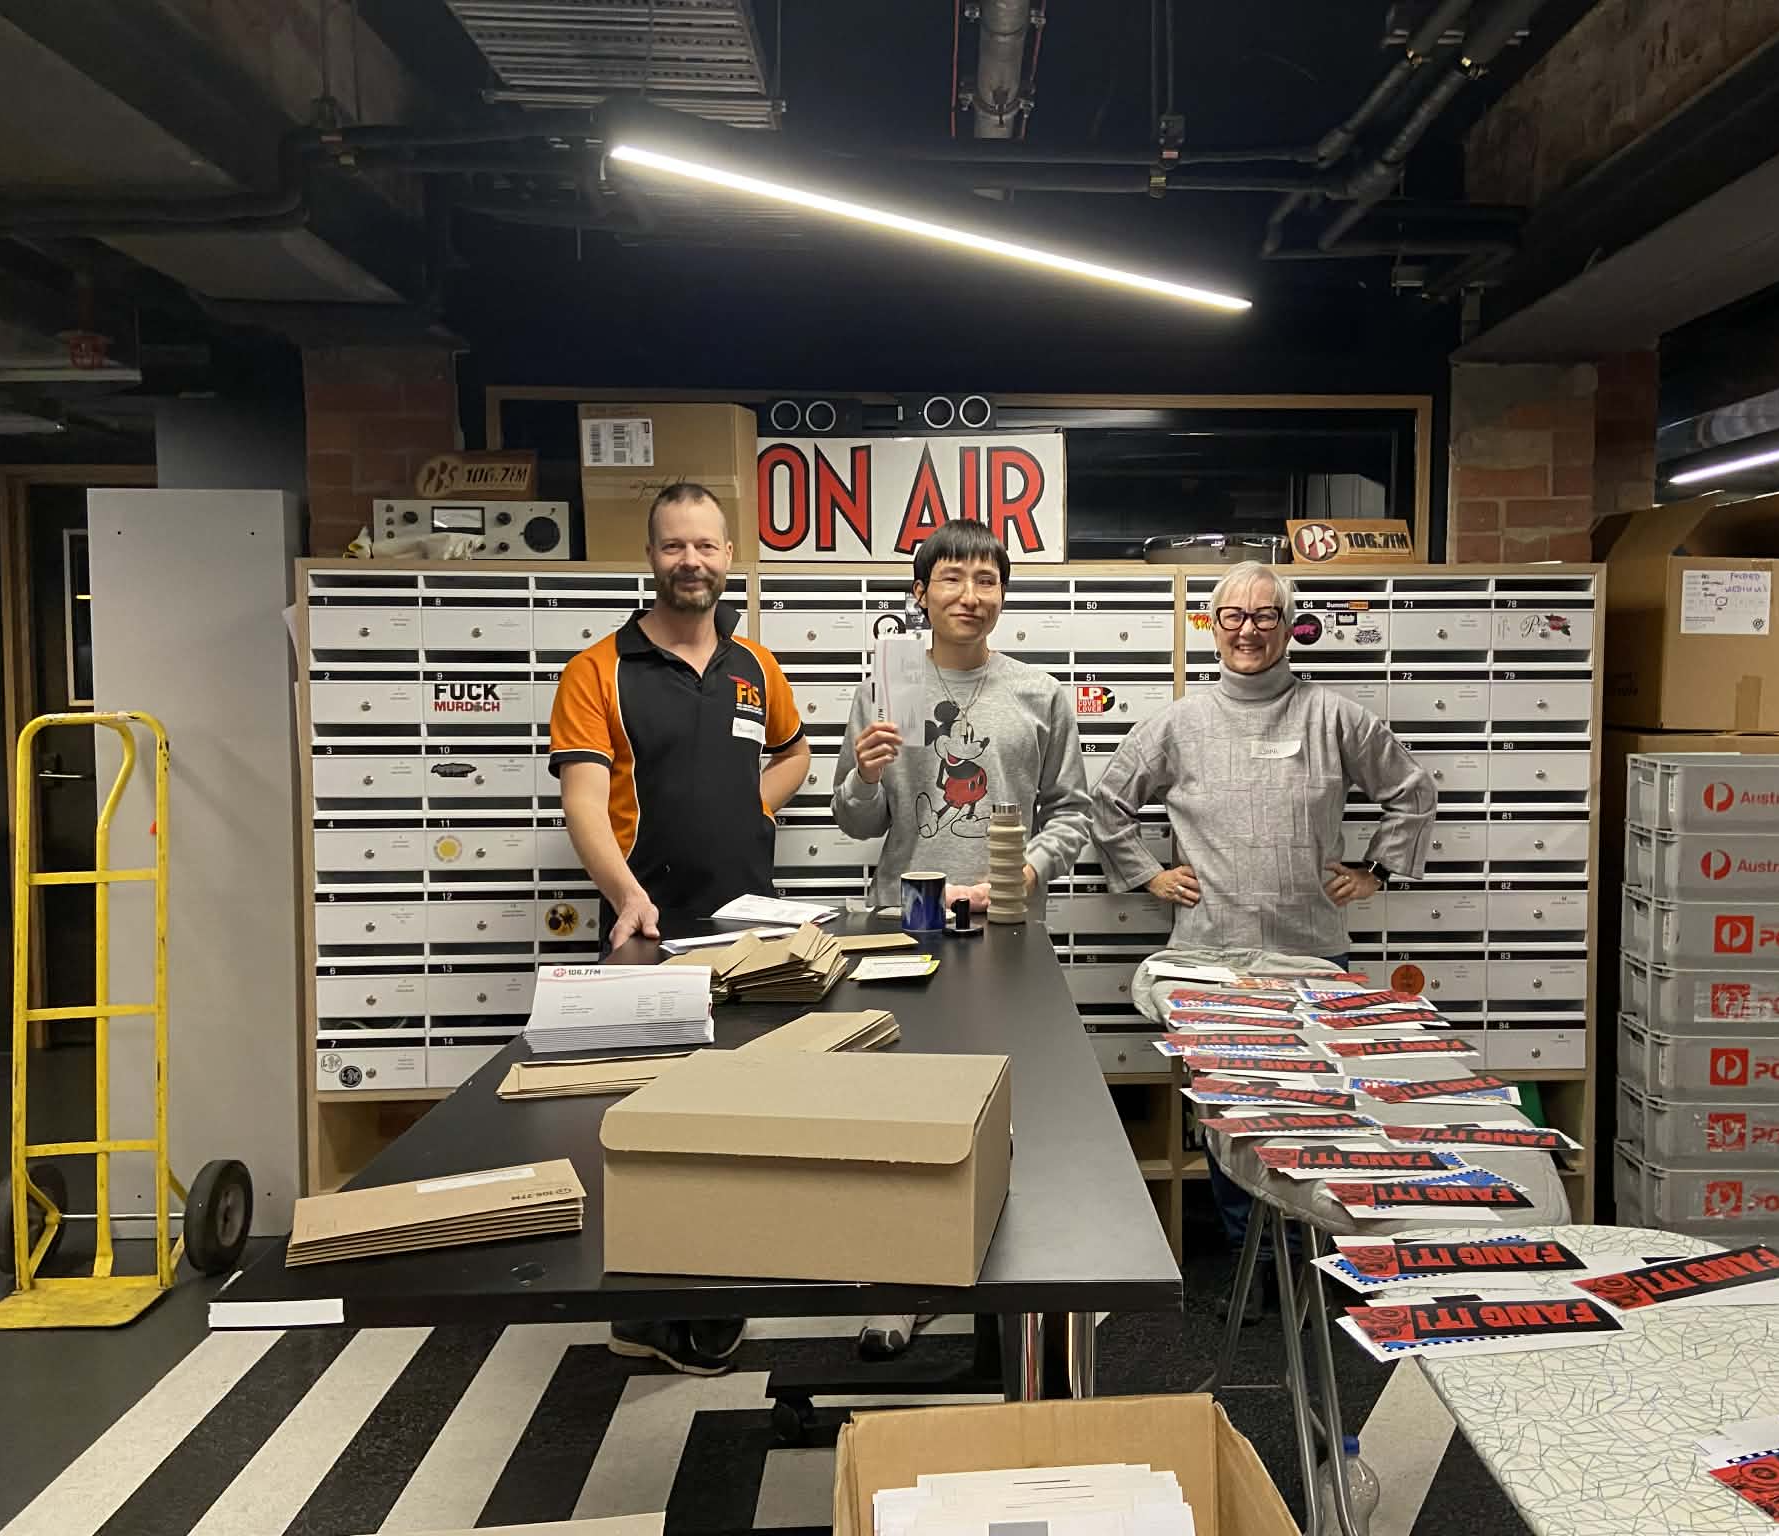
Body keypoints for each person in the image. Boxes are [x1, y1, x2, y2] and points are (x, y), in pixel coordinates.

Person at [1089, 560, 1435, 1310]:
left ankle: (1316, 1261)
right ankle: (1252, 1261)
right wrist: (1150, 876)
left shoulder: (1336, 718)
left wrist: (1378, 869)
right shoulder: (1175, 724)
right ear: (1211, 627)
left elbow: (1412, 792)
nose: (1248, 630)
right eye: (1233, 616)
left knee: (1317, 1115)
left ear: (1288, 626)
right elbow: (1107, 803)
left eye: (1265, 615)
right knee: (1230, 1123)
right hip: (1209, 958)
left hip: (1311, 950)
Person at [549, 480, 811, 1373]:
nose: (690, 563)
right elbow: (583, 801)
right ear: (651, 556)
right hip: (647, 931)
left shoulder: (753, 665)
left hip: (749, 934)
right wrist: (626, 896)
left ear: (729, 556)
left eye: (706, 546)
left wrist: (754, 813)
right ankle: (651, 1311)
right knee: (644, 1129)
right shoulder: (598, 670)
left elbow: (795, 750)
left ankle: (718, 1288)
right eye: (674, 547)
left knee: (739, 1120)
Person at [833, 521, 1093, 1358]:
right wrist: (866, 775)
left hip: (1005, 928)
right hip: (903, 925)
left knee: (1009, 1106)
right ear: (920, 594)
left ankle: (1011, 1285)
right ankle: (903, 1279)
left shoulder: (1040, 695)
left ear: (1004, 595)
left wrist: (1021, 877)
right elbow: (855, 822)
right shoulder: (882, 688)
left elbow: (1075, 811)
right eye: (951, 579)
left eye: (987, 580)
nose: (969, 596)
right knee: (901, 1108)